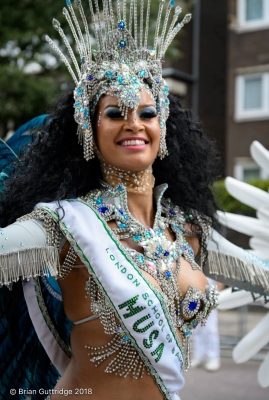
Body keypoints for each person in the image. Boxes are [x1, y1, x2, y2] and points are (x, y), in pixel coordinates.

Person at [0, 1, 268, 400]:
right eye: (114, 113)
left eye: (146, 112)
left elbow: (259, 272)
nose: (133, 124)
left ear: (162, 126)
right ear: (90, 130)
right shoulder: (64, 225)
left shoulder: (189, 231)